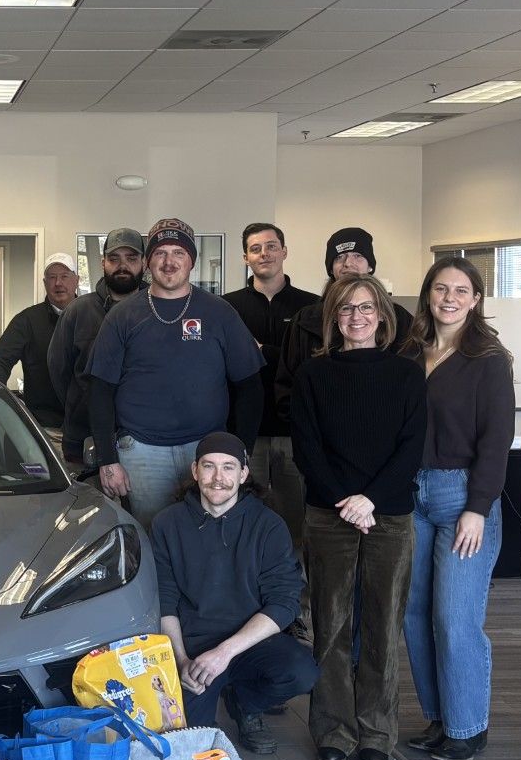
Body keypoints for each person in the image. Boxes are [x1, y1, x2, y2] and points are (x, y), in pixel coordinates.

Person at [291, 273, 426, 760]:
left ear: (383, 317)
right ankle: (332, 729)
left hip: (389, 514)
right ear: (333, 318)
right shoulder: (313, 375)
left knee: (383, 625)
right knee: (331, 623)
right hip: (329, 515)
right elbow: (307, 449)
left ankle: (375, 732)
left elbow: (411, 448)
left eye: (367, 307)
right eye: (347, 308)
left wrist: (370, 499)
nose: (357, 316)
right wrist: (346, 502)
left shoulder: (407, 375)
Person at [399, 257, 514, 760]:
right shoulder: (408, 352)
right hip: (411, 496)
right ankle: (441, 718)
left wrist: (478, 508)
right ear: (427, 295)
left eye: (461, 290)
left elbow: (496, 440)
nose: (449, 297)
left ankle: (468, 727)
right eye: (440, 288)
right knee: (414, 614)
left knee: (455, 617)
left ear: (476, 299)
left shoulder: (488, 359)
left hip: (462, 496)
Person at [88, 219, 264, 529]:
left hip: (207, 450)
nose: (169, 263)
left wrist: (240, 453)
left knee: (209, 538)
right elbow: (100, 389)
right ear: (148, 262)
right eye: (160, 253)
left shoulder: (220, 313)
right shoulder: (123, 315)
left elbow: (250, 386)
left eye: (179, 253)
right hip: (142, 454)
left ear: (192, 261)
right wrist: (107, 460)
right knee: (152, 538)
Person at [152, 432, 319, 756]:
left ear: (243, 474)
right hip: (193, 646)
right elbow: (164, 598)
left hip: (250, 641)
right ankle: (209, 697)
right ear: (195, 471)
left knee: (301, 672)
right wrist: (182, 660)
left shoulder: (268, 525)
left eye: (228, 468)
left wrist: (224, 653)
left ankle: (245, 702)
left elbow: (284, 601)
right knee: (187, 741)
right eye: (209, 467)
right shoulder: (166, 524)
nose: (218, 478)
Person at [221, 223, 321, 544]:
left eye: (271, 246)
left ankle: (292, 590)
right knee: (244, 521)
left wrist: (262, 351)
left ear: (284, 252)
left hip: (296, 435)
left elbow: (315, 365)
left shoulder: (312, 307)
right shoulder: (226, 307)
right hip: (243, 435)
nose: (264, 254)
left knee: (296, 524)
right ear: (245, 258)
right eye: (255, 248)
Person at [275, 226, 414, 426]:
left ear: (370, 266)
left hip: (383, 432)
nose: (348, 263)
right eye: (340, 257)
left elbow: (409, 383)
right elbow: (287, 387)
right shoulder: (305, 321)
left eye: (358, 255)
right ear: (331, 268)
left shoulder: (398, 319)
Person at [47, 227, 146, 466]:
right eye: (114, 259)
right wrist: (82, 403)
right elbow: (59, 371)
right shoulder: (79, 310)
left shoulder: (155, 311)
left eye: (131, 259)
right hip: (84, 438)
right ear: (103, 263)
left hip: (146, 439)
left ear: (144, 263)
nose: (122, 266)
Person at [0, 252, 79, 430]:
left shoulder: (94, 316)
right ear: (45, 283)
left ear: (77, 280)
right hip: (44, 429)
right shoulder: (27, 320)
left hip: (88, 427)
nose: (58, 283)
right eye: (52, 277)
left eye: (65, 276)